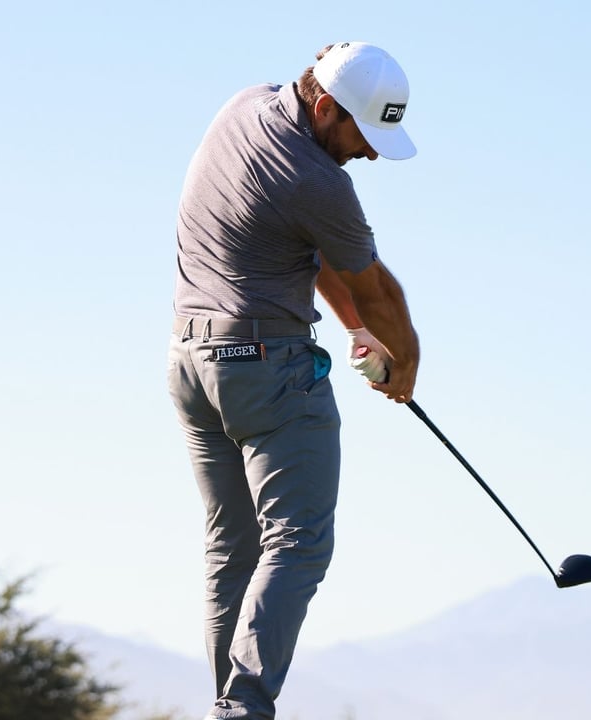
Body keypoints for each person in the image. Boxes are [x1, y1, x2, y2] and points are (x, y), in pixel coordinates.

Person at [166, 42, 421, 720]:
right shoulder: (321, 180)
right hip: (266, 372)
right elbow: (379, 296)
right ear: (329, 106)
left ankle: (227, 706)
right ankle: (244, 709)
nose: (369, 153)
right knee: (298, 542)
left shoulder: (245, 108)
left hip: (192, 368)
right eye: (365, 136)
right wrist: (405, 369)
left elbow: (302, 251)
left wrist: (353, 330)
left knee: (234, 550)